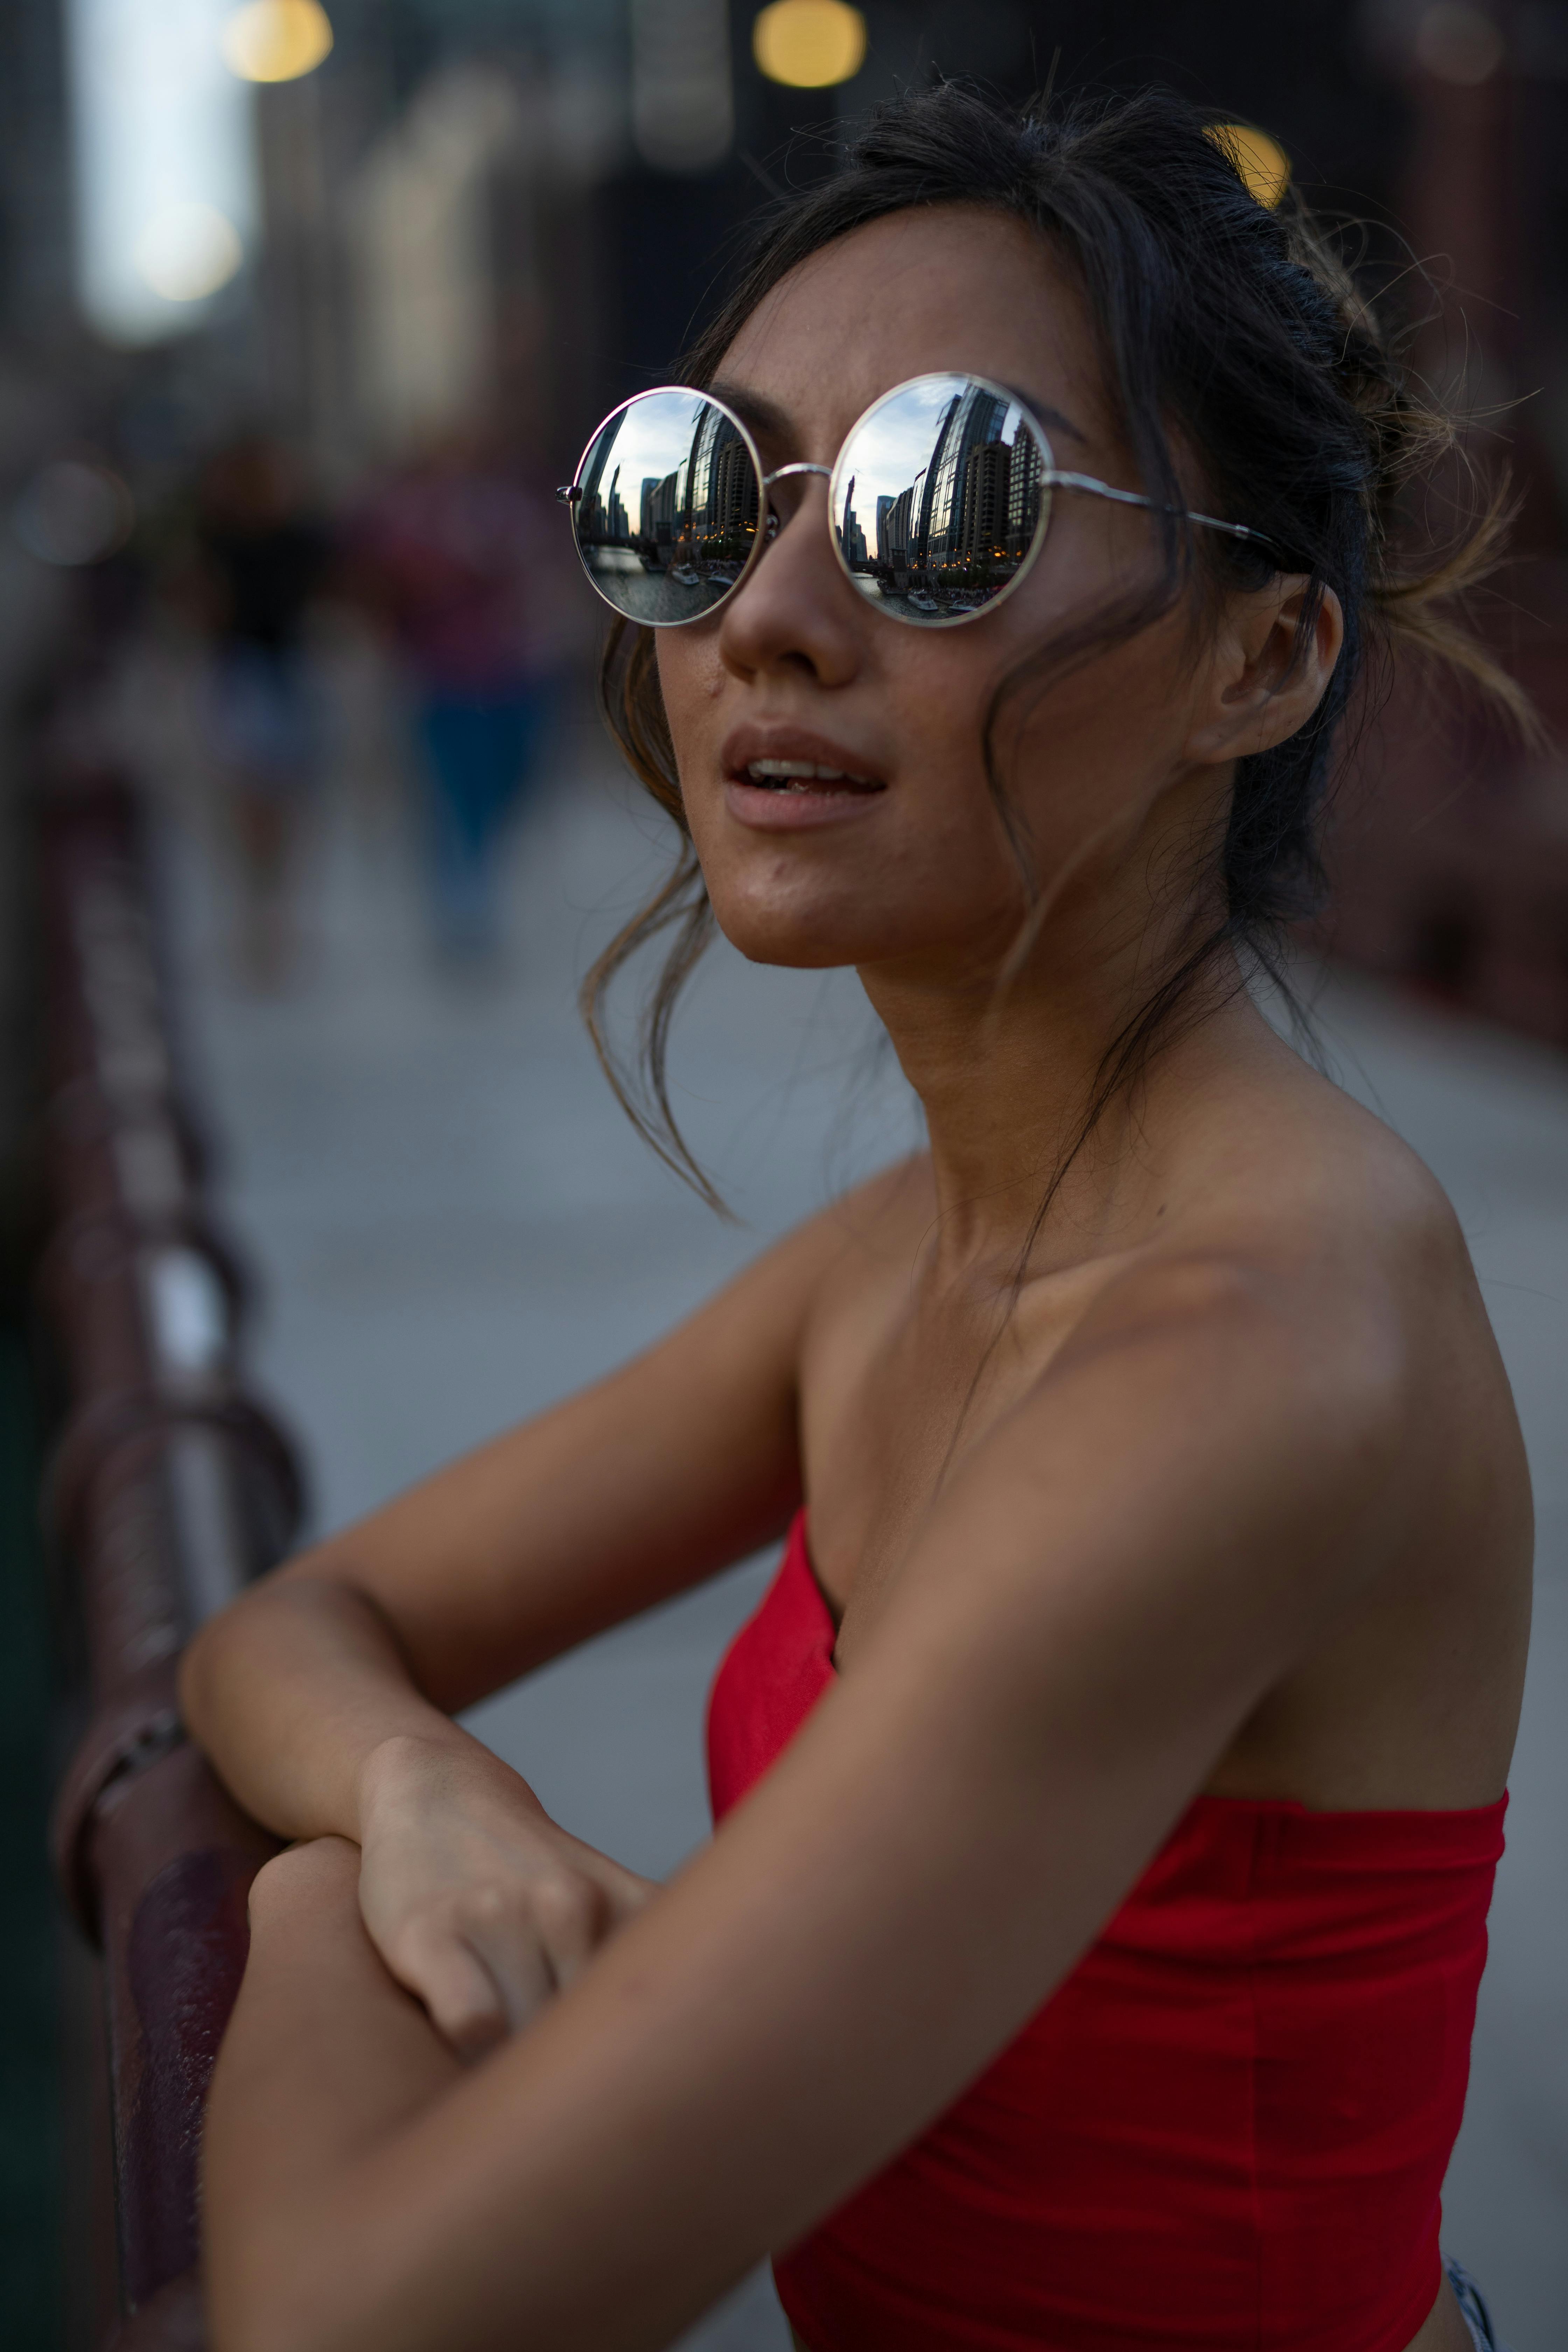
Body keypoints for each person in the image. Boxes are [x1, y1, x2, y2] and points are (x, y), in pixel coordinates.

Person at [182, 86, 1532, 2352]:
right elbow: (291, 1632)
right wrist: (420, 1795)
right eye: (699, 499)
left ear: (1263, 661)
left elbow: (364, 2321)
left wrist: (328, 1907)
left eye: (946, 506)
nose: (768, 623)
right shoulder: (915, 1249)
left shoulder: (1244, 1361)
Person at [347, 433, 568, 962]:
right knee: (453, 791)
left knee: (509, 781)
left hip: (512, 673)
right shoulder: (408, 518)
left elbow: (541, 575)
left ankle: (476, 878)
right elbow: (383, 586)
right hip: (442, 678)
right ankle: (466, 904)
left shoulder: (509, 510)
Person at [194, 436, 331, 984]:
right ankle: (263, 918)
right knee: (256, 803)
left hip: (284, 672)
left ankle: (272, 917)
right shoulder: (222, 537)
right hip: (248, 673)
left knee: (282, 804)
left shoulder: (297, 537)